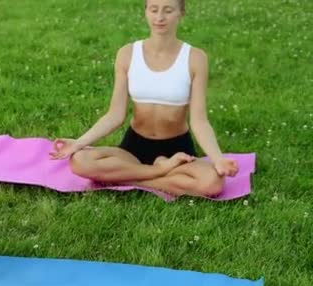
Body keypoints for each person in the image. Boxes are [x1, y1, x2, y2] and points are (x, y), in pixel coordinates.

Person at [50, 0, 238, 197]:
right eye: (153, 9)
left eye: (168, 10)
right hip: (133, 148)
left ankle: (127, 178)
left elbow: (199, 121)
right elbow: (115, 114)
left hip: (176, 151)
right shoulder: (127, 54)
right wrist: (79, 142)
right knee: (79, 161)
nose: (159, 17)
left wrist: (217, 159)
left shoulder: (195, 58)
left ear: (181, 13)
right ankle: (158, 172)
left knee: (213, 183)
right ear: (146, 12)